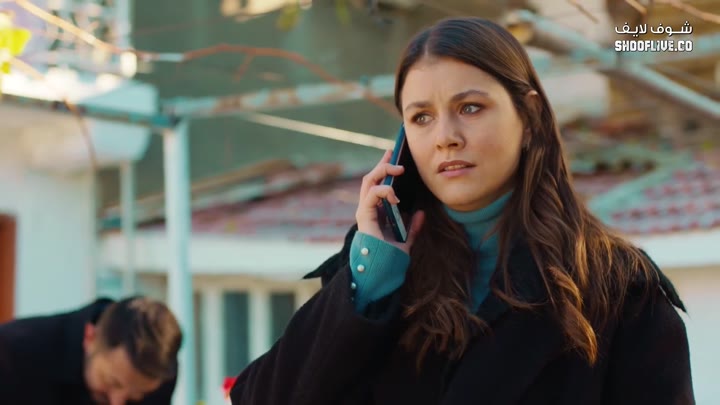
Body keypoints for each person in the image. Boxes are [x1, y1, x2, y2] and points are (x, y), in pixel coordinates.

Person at [229, 17, 694, 405]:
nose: (445, 137)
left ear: (530, 118)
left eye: (470, 108)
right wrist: (369, 282)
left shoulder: (618, 289)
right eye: (421, 117)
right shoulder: (376, 279)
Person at [0, 296, 182, 405]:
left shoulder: (160, 372)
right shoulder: (12, 355)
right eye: (112, 382)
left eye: (137, 396)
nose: (117, 402)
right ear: (90, 337)